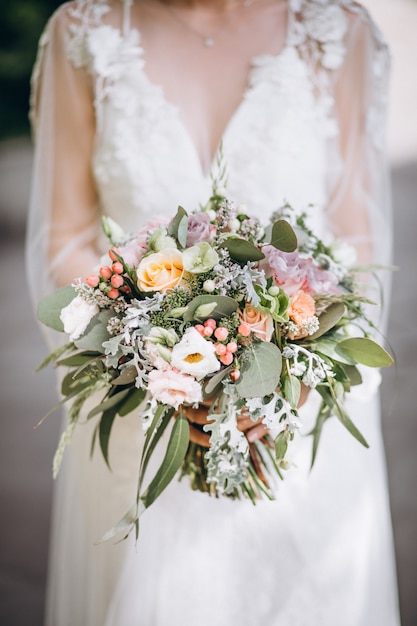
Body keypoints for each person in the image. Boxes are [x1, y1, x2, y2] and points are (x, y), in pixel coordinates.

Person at [27, 1, 401, 624]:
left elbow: (355, 239)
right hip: (137, 415)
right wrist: (154, 353)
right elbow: (64, 236)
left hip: (297, 423)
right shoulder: (84, 32)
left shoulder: (338, 33)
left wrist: (295, 371)